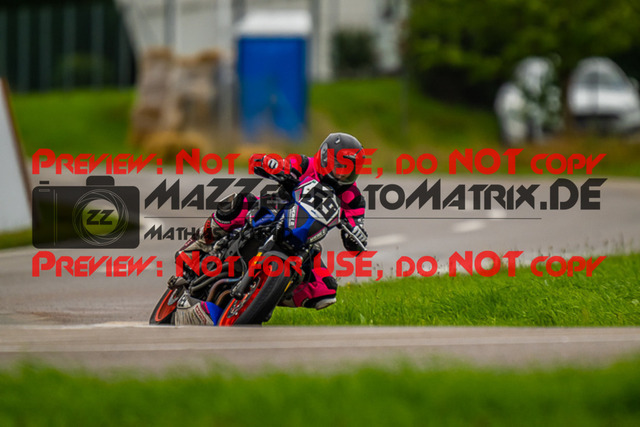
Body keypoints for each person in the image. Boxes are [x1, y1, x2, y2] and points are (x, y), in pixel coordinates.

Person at [173, 132, 368, 325]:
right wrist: (272, 164)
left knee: (326, 290)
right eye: (340, 165)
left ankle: (268, 295)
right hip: (274, 210)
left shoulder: (354, 198)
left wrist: (357, 235)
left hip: (306, 243)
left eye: (350, 169)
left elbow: (355, 234)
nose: (343, 173)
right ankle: (199, 243)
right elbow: (267, 163)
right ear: (325, 158)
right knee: (239, 203)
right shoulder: (305, 164)